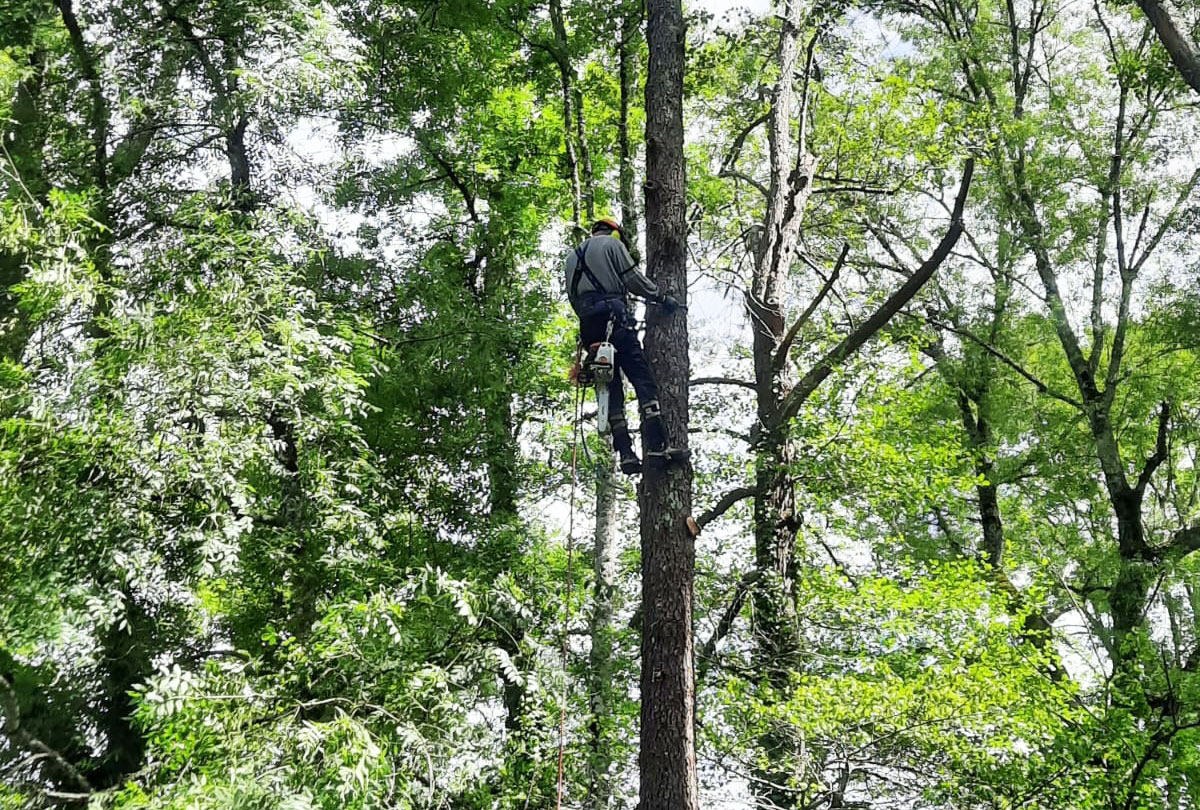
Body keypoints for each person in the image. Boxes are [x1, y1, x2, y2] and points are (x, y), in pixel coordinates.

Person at [565, 218, 686, 474]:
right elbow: (632, 279)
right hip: (615, 320)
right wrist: (661, 297)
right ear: (614, 233)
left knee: (610, 387)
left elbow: (574, 299)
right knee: (642, 380)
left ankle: (626, 454)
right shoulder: (612, 245)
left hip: (590, 327)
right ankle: (658, 445)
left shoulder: (571, 258)